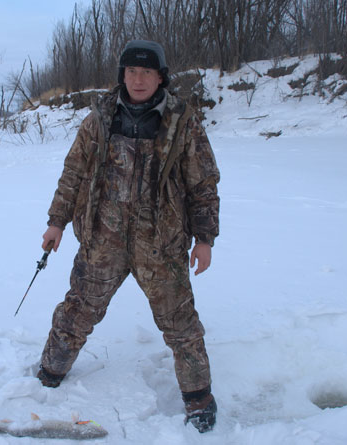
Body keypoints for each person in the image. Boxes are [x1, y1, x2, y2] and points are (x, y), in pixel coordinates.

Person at [36, 40, 221, 433]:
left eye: (147, 73)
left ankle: (199, 399)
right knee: (79, 309)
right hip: (102, 238)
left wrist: (204, 238)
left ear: (160, 77)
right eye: (131, 72)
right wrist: (57, 220)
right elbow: (73, 172)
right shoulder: (100, 117)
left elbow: (202, 183)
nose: (138, 80)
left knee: (181, 324)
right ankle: (48, 375)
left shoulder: (181, 121)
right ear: (122, 75)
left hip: (161, 243)